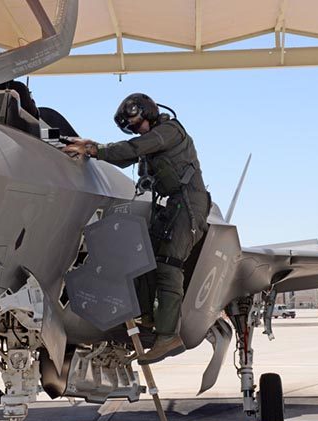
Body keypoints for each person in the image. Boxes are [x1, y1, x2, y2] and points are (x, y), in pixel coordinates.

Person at [63, 93, 211, 365]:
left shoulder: (169, 131)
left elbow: (132, 149)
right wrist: (91, 149)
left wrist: (94, 149)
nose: (136, 130)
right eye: (131, 129)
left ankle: (168, 336)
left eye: (137, 124)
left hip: (188, 203)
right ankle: (150, 324)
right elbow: (126, 157)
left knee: (168, 265)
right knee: (143, 262)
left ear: (149, 113)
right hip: (169, 206)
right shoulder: (150, 145)